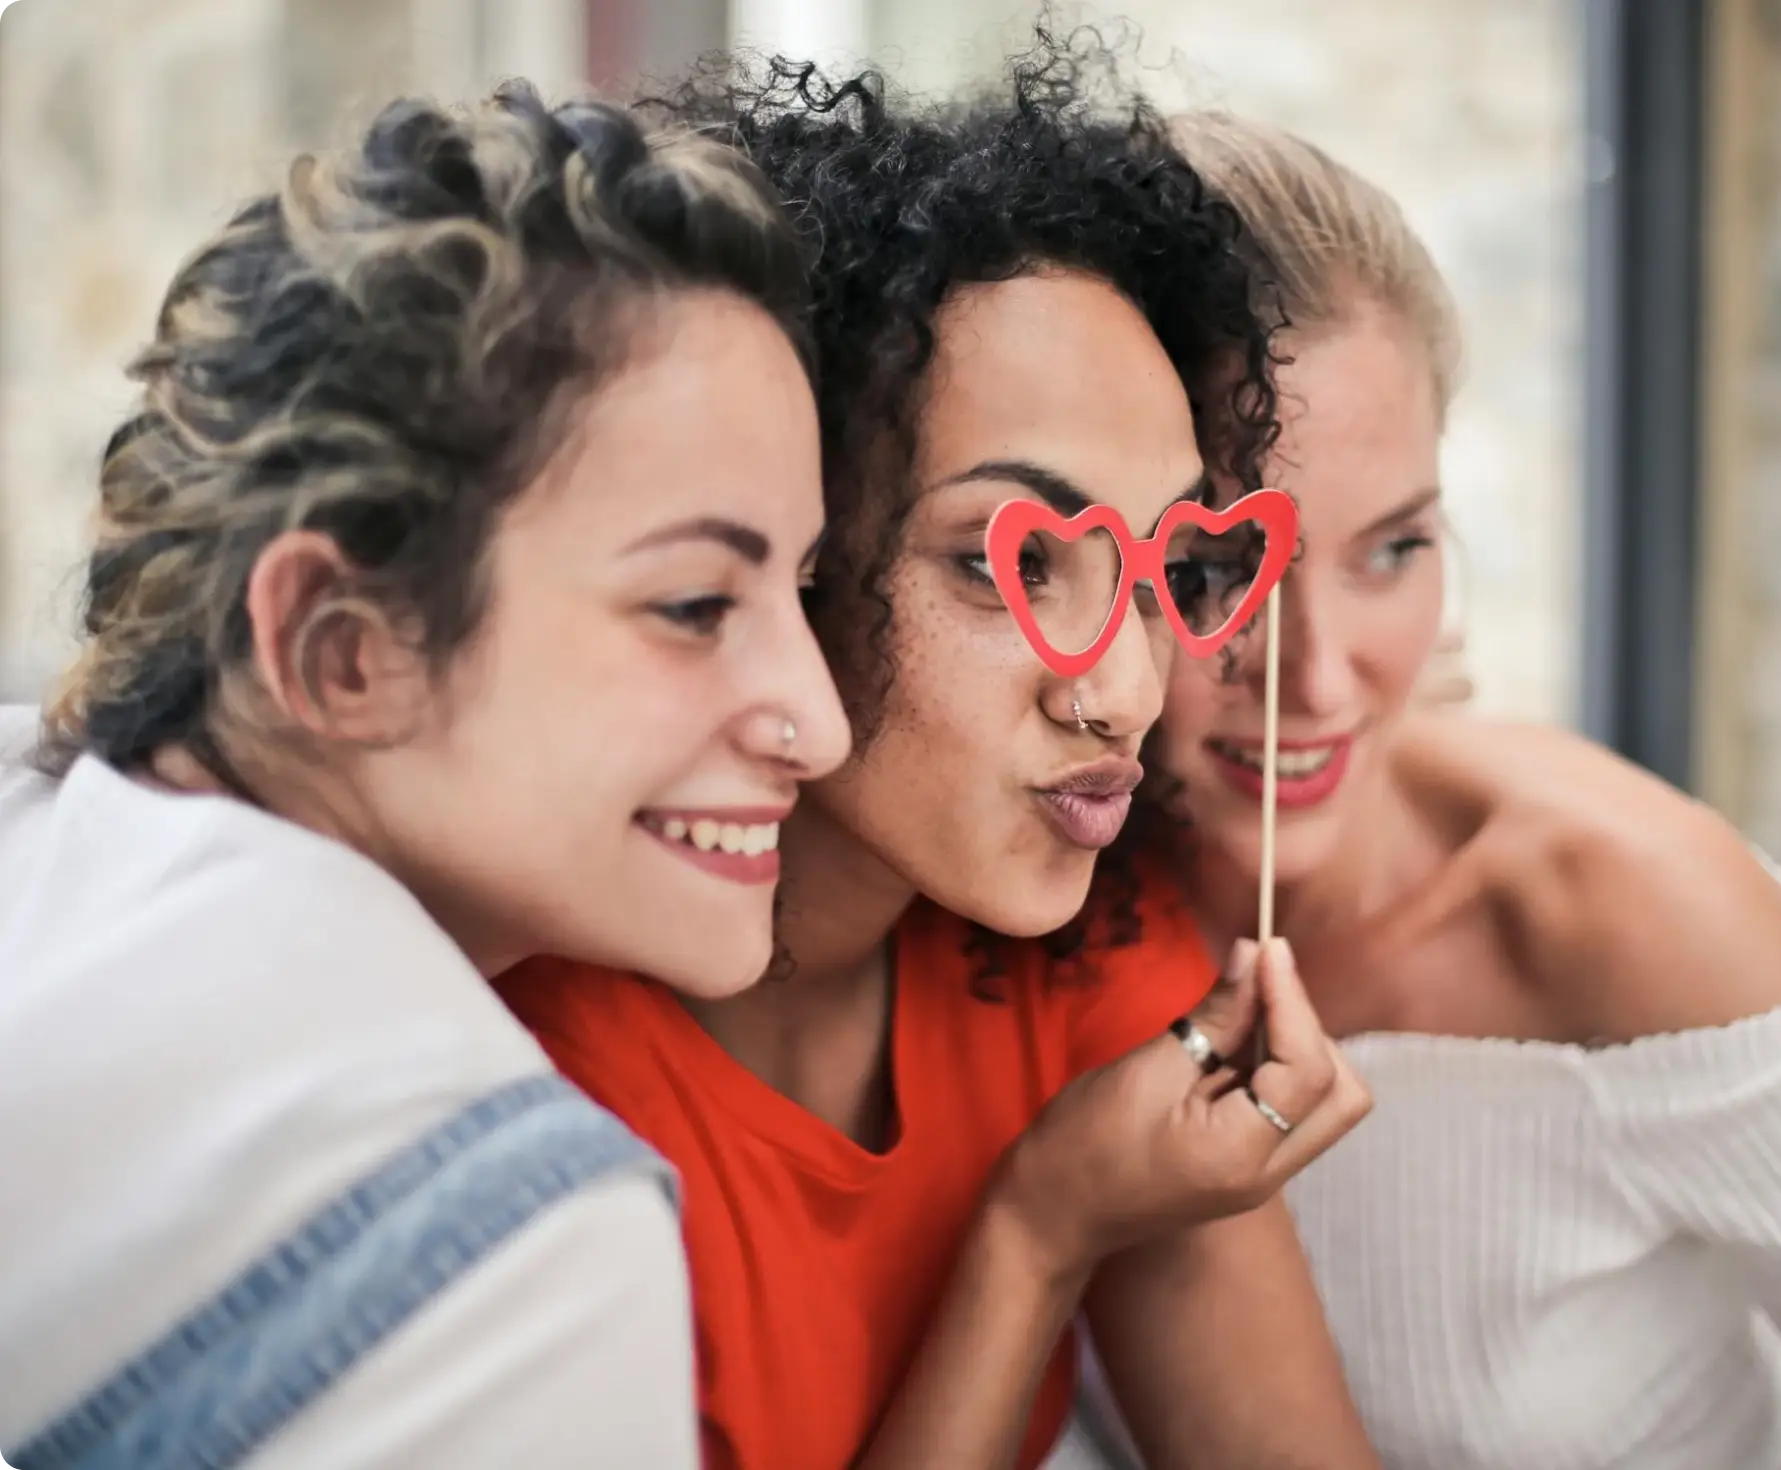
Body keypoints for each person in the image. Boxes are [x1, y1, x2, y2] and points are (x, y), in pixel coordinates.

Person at [1065, 112, 1781, 1470]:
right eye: (1210, 570)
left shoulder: (1621, 898)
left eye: (1392, 547)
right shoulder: (1039, 908)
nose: (1318, 681)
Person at [496, 40, 1378, 1470]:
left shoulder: (1077, 946)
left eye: (1164, 560)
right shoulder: (535, 1070)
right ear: (791, 543)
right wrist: (1033, 1237)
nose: (1125, 693)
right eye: (1002, 560)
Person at [0, 85, 849, 1467]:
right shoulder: (520, 1255)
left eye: (803, 591)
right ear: (341, 651)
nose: (818, 725)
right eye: (695, 604)